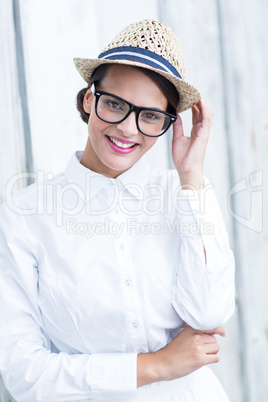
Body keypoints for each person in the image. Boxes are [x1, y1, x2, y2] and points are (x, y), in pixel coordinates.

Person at [0, 19, 235, 402]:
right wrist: (157, 365)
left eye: (150, 115)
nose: (129, 128)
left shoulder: (183, 196)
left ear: (167, 123)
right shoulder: (25, 216)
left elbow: (209, 313)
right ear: (89, 99)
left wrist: (191, 176)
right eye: (114, 104)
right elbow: (25, 372)